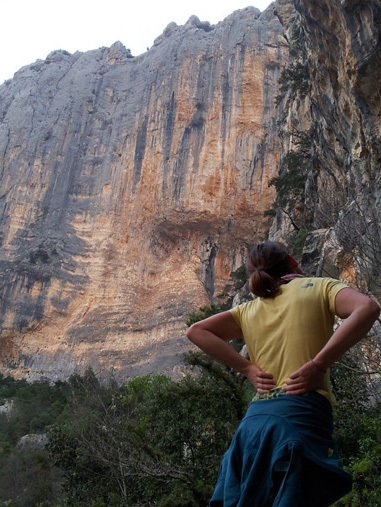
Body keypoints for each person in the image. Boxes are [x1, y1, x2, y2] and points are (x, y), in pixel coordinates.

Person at [186, 241, 380, 506]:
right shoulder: (320, 287)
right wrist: (318, 365)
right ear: (291, 261)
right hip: (300, 415)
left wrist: (247, 369)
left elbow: (195, 331)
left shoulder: (248, 310)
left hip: (252, 425)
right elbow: (367, 308)